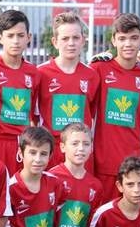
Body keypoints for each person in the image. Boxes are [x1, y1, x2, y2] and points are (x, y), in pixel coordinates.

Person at [91, 13, 140, 202]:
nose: (128, 44)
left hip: (133, 160)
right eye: (122, 38)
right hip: (104, 160)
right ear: (113, 40)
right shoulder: (99, 68)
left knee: (130, 217)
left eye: (134, 38)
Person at [0, 9, 39, 175]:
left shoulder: (34, 73)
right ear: (0, 38)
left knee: (21, 196)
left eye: (20, 35)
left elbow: (35, 116)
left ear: (29, 37)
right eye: (10, 36)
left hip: (23, 145)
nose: (16, 41)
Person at [35, 11, 99, 169]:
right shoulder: (41, 73)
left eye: (76, 38)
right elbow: (33, 118)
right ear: (55, 42)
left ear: (83, 41)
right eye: (65, 38)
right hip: (50, 151)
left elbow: (92, 116)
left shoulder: (92, 76)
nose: (71, 43)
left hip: (80, 153)